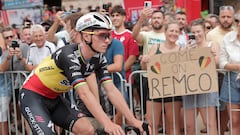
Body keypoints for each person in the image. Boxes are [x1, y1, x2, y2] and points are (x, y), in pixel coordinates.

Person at [19, 12, 147, 135]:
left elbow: (111, 90)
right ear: (86, 36)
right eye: (102, 35)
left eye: (109, 35)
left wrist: (133, 120)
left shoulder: (99, 58)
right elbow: (84, 93)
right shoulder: (68, 55)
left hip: (54, 98)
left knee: (87, 130)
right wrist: (107, 123)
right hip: (32, 96)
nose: (108, 40)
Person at [141, 20, 182, 135]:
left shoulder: (182, 50)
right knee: (151, 125)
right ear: (165, 32)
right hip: (155, 88)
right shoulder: (156, 47)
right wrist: (144, 61)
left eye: (176, 31)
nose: (173, 33)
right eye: (171, 30)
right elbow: (144, 68)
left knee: (173, 126)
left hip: (173, 90)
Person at [132, 8, 165, 135]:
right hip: (147, 77)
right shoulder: (147, 35)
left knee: (167, 113)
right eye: (154, 18)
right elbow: (134, 36)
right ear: (151, 21)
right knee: (149, 113)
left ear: (163, 20)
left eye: (159, 18)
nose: (156, 20)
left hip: (165, 77)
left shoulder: (168, 35)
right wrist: (141, 20)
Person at [182, 19, 219, 135]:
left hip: (207, 87)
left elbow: (217, 63)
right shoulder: (186, 47)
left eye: (198, 31)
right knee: (189, 125)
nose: (196, 35)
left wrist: (210, 56)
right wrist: (186, 53)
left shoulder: (212, 45)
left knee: (209, 123)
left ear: (204, 31)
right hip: (190, 88)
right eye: (193, 33)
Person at [206, 5, 235, 135]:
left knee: (233, 113)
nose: (226, 19)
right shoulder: (211, 34)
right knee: (220, 111)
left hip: (235, 75)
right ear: (219, 17)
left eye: (229, 17)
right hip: (218, 76)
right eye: (223, 17)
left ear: (233, 17)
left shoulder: (237, 30)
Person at [110, 5, 139, 125]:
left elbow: (132, 58)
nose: (115, 18)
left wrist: (119, 72)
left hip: (124, 80)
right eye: (113, 15)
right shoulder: (108, 35)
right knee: (111, 110)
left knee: (124, 110)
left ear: (124, 17)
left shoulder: (130, 35)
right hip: (108, 80)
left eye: (118, 15)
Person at [0, 26, 29, 134]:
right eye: (6, 37)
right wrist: (8, 57)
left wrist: (21, 57)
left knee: (25, 110)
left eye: (11, 36)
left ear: (15, 36)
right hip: (12, 87)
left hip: (25, 85)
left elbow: (30, 65)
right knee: (12, 110)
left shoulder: (24, 47)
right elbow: (3, 69)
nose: (9, 39)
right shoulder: (5, 53)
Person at [219, 13, 240, 135]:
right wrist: (237, 67)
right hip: (231, 78)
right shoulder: (228, 38)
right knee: (234, 120)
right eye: (237, 21)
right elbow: (222, 62)